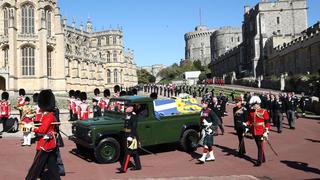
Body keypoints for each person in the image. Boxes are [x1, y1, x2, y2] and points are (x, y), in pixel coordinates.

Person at [26, 90, 61, 180]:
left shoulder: (50, 116)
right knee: (52, 166)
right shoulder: (40, 114)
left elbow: (42, 129)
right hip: (43, 143)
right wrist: (28, 124)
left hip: (45, 144)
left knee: (36, 166)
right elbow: (36, 126)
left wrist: (30, 127)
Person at [244, 96, 270, 167]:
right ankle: (263, 158)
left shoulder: (264, 111)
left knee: (260, 146)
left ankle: (259, 161)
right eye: (253, 105)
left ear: (258, 104)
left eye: (254, 105)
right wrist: (246, 124)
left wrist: (266, 131)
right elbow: (250, 121)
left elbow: (267, 122)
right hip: (254, 131)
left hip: (261, 131)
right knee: (259, 146)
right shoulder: (251, 112)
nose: (253, 106)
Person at [118, 104, 141, 173]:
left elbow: (134, 128)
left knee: (128, 152)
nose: (125, 108)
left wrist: (131, 136)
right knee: (134, 152)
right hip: (127, 135)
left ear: (131, 108)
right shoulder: (127, 116)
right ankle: (138, 166)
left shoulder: (133, 116)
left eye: (127, 107)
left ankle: (123, 168)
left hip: (131, 136)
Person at [197, 98, 219, 164]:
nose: (202, 104)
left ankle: (203, 157)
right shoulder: (202, 111)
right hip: (204, 129)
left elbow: (216, 120)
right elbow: (201, 120)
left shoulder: (210, 111)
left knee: (206, 143)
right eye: (202, 103)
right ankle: (212, 156)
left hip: (209, 129)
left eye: (204, 103)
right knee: (208, 144)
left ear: (207, 104)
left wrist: (211, 128)